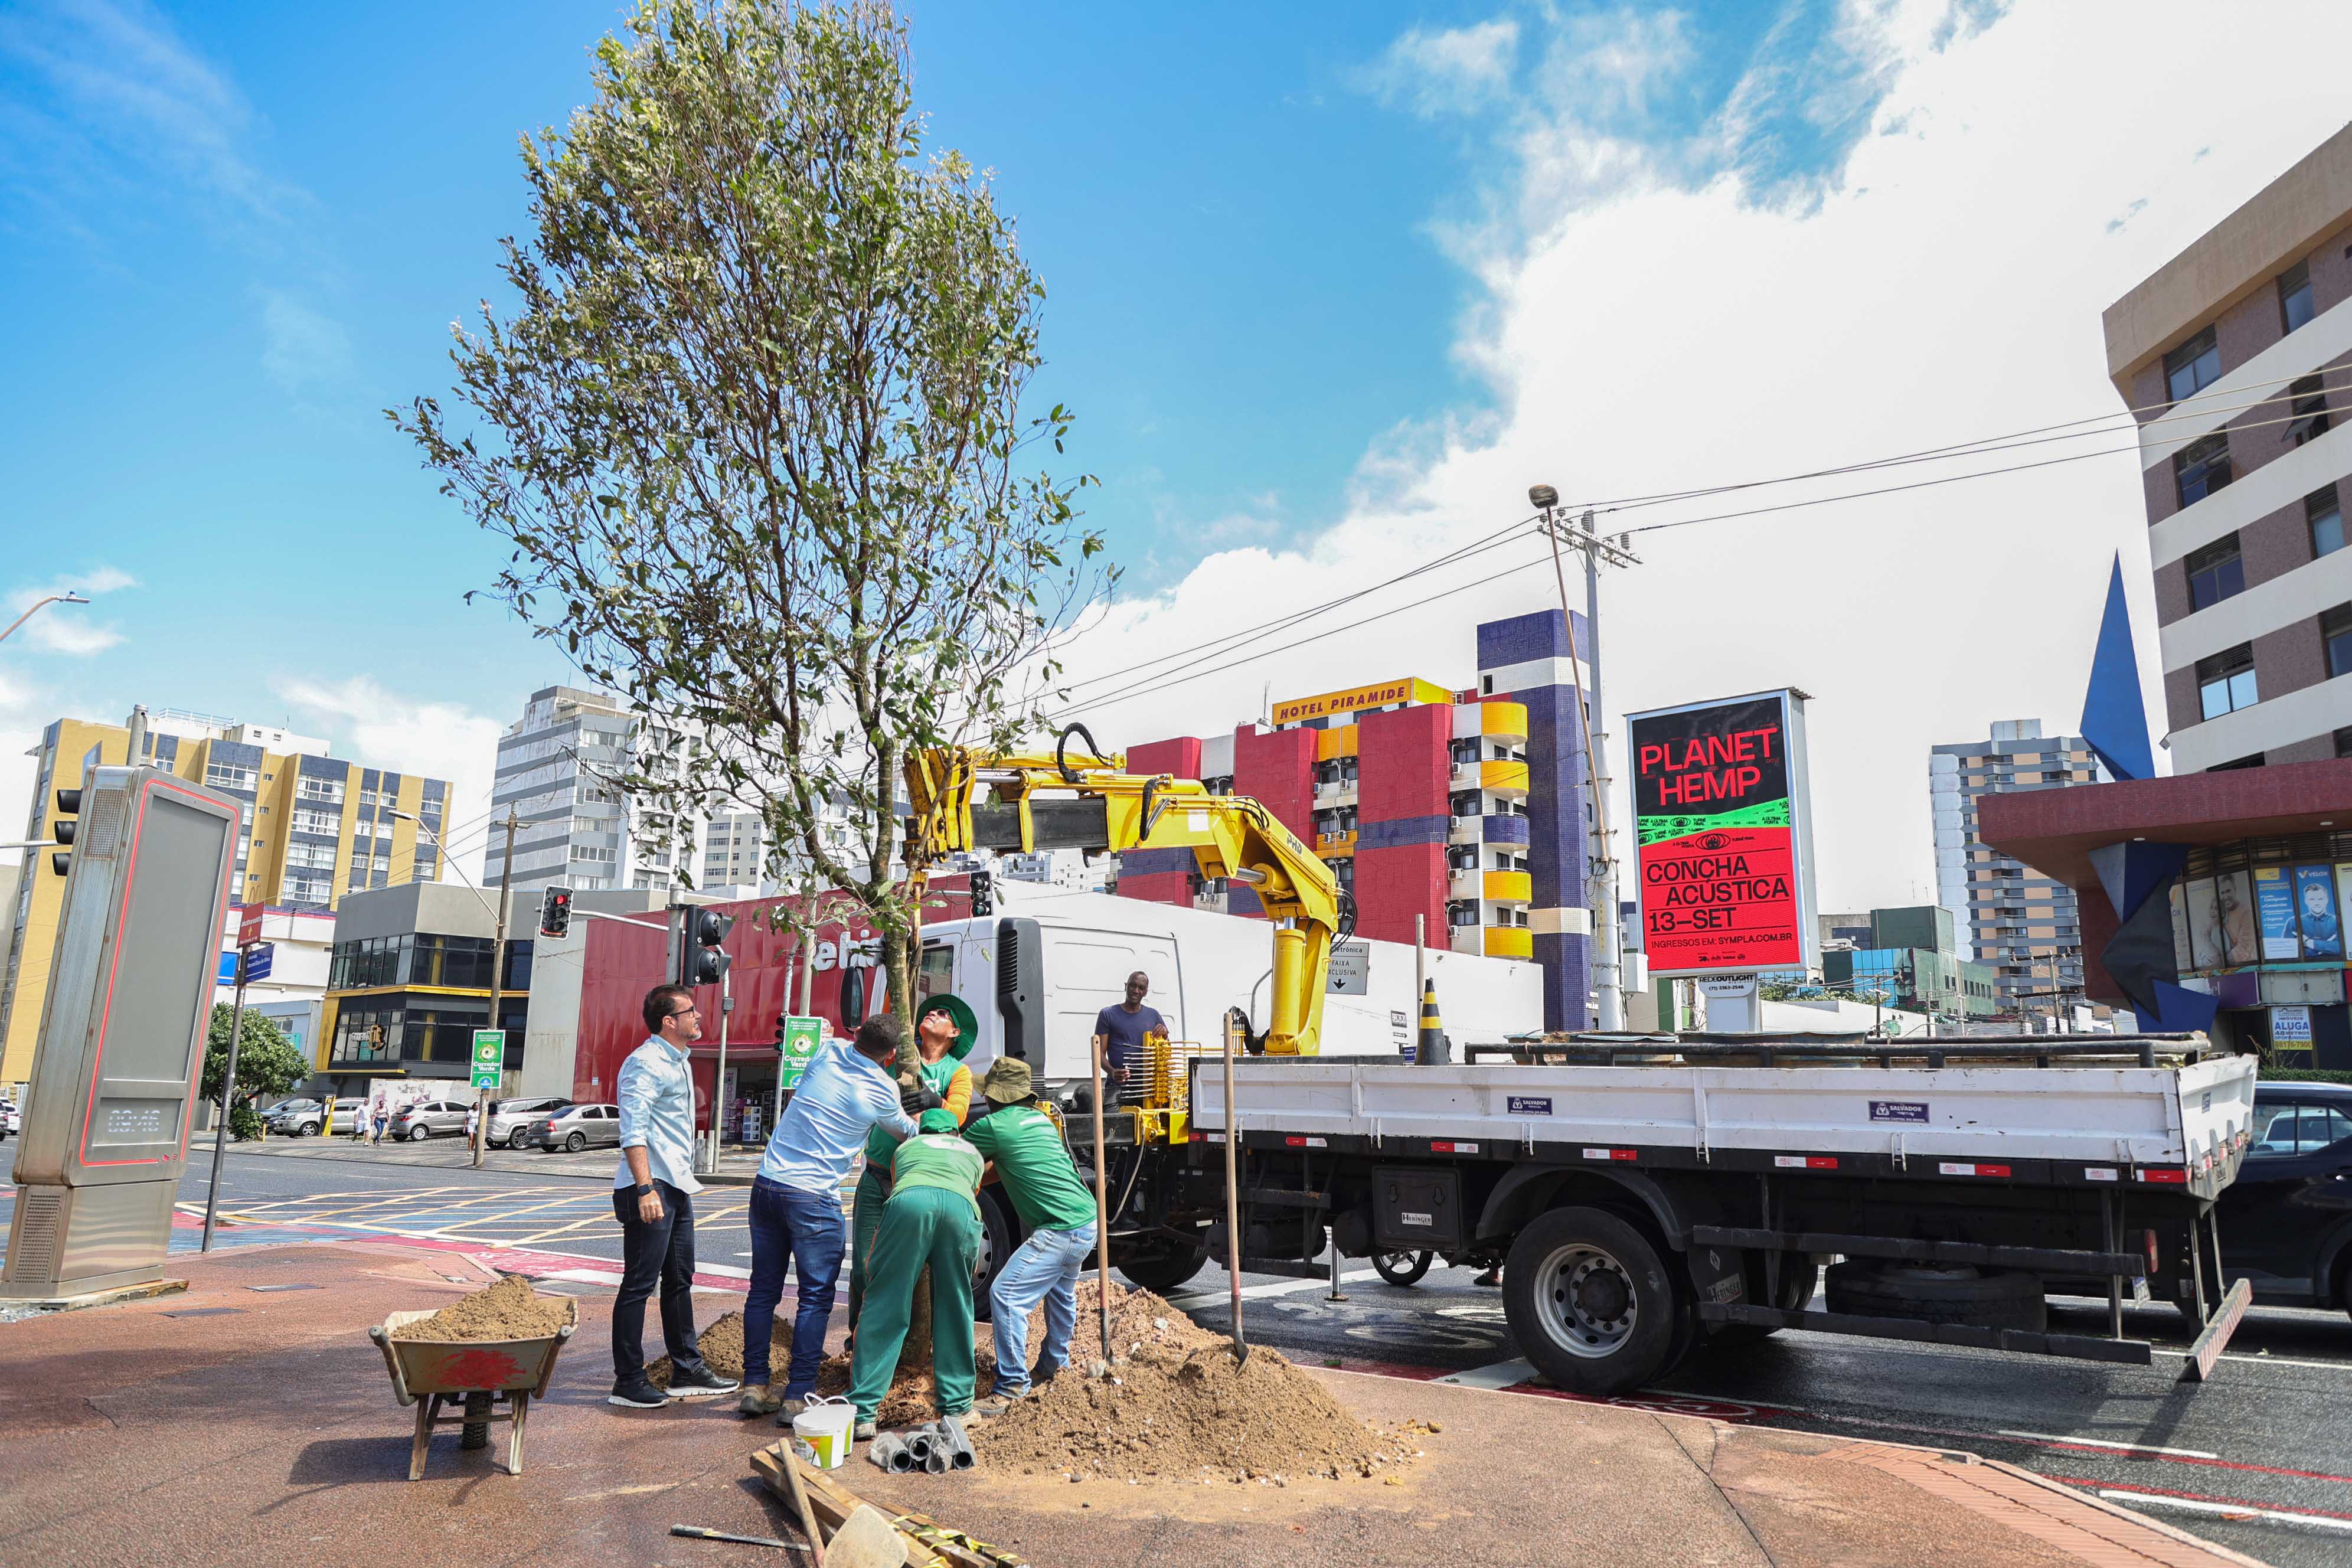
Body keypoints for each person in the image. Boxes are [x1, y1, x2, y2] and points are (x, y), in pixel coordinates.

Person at [736, 1015, 926, 1420]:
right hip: (813, 1198)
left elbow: (839, 1040)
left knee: (763, 1291)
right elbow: (907, 1135)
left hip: (767, 1185)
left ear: (856, 1035)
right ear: (891, 1056)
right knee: (815, 1298)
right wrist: (926, 1116)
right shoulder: (882, 1088)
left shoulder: (827, 1052)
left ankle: (755, 1385)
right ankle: (798, 1394)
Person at [608, 983, 739, 1410]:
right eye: (691, 1012)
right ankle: (628, 1380)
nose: (699, 1017)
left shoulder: (679, 1060)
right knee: (638, 1286)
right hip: (650, 1186)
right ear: (670, 1021)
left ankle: (687, 1369)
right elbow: (633, 1129)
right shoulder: (644, 1064)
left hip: (677, 1184)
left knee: (680, 1280)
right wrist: (645, 1188)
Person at [965, 1058, 1097, 1416]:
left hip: (1060, 1229)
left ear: (995, 1098)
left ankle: (1011, 1386)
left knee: (1006, 1296)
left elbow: (957, 1157)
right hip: (1086, 1221)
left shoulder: (993, 1125)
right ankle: (1055, 1365)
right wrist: (980, 1181)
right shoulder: (1038, 1120)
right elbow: (1006, 1165)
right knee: (1061, 1293)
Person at [845, 1107, 985, 1441]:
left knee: (885, 1300)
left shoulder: (905, 1148)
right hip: (960, 1208)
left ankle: (863, 1411)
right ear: (955, 1132)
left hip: (908, 1204)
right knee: (955, 1303)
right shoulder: (972, 1152)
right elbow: (971, 1190)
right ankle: (957, 1407)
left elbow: (900, 1181)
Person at [847, 997, 976, 1339]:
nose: (933, 1013)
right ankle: (857, 1338)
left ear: (954, 1033)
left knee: (921, 1270)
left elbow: (958, 1115)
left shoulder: (957, 1072)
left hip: (920, 1182)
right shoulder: (898, 1056)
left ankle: (915, 1343)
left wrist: (937, 1102)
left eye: (943, 1014)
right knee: (864, 1265)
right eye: (931, 1010)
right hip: (877, 1177)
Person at [1091, 971, 1165, 1103]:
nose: (1136, 991)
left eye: (1141, 988)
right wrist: (1113, 1073)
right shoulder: (1108, 1014)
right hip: (1118, 1088)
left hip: (1148, 1089)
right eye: (1133, 986)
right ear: (1126, 986)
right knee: (1112, 1122)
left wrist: (1164, 1034)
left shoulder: (1153, 1016)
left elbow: (1165, 1052)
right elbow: (1099, 1054)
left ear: (1146, 992)